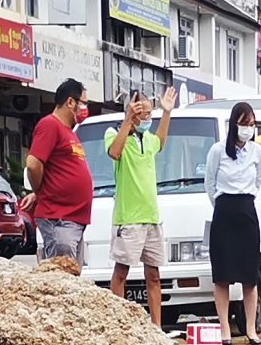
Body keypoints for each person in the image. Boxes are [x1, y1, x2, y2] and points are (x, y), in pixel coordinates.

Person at [203, 100, 261, 344]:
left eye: (252, 124)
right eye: (244, 123)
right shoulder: (217, 150)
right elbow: (209, 184)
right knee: (222, 275)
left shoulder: (257, 151)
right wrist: (222, 204)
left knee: (249, 275)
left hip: (247, 211)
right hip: (224, 211)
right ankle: (225, 329)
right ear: (234, 124)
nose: (248, 128)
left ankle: (251, 329)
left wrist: (245, 199)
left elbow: (257, 182)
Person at [107, 86, 175, 327]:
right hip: (129, 218)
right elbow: (114, 153)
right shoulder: (114, 133)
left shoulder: (148, 138)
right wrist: (126, 120)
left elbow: (160, 142)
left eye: (150, 112)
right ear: (131, 111)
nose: (148, 117)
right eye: (142, 112)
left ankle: (156, 327)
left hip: (151, 217)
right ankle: (119, 325)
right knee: (121, 273)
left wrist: (166, 113)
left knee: (154, 275)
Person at [23, 77, 93, 265]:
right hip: (59, 219)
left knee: (71, 278)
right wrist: (40, 192)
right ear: (70, 102)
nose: (85, 108)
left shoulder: (68, 131)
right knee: (60, 276)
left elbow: (57, 171)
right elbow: (33, 164)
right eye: (83, 103)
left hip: (72, 219)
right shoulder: (50, 125)